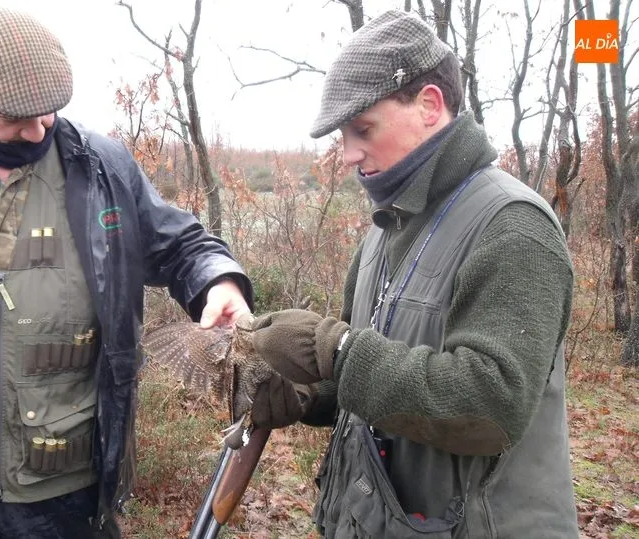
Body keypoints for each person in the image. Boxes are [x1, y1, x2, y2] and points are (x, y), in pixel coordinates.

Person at [0, 7, 253, 537]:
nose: (40, 127)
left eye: (50, 111)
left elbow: (182, 244)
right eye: (19, 115)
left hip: (70, 493)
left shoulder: (103, 166)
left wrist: (216, 281)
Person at [237, 9, 579, 538]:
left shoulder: (512, 226)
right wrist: (305, 394)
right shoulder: (386, 228)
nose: (348, 154)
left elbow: (490, 406)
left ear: (429, 105)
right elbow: (367, 380)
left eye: (362, 129)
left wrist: (334, 347)